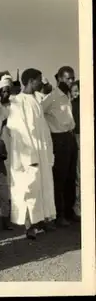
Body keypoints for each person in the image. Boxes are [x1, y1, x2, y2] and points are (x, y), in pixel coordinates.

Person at [6, 68, 57, 239]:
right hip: (27, 154)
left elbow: (42, 129)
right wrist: (29, 157)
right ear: (29, 81)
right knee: (28, 187)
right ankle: (29, 225)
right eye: (38, 80)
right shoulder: (18, 101)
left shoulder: (35, 100)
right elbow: (19, 131)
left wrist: (47, 152)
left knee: (42, 185)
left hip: (40, 150)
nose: (41, 83)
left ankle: (41, 220)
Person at [41, 66, 79, 225]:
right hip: (59, 140)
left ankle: (70, 212)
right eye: (68, 78)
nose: (71, 81)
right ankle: (59, 214)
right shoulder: (52, 97)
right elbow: (39, 113)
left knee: (71, 177)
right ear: (59, 79)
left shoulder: (67, 96)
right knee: (60, 178)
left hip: (70, 138)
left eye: (72, 78)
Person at [70, 80, 80, 218]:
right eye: (75, 91)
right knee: (79, 176)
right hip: (77, 138)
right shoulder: (71, 105)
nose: (78, 94)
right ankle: (77, 206)